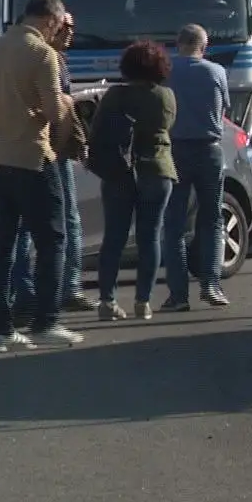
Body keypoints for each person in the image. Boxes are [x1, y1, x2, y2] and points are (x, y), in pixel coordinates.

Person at [0, 0, 84, 350]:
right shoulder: (42, 54)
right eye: (59, 26)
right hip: (32, 159)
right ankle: (46, 321)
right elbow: (54, 110)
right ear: (51, 21)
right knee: (52, 240)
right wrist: (68, 137)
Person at [11, 11, 92, 325]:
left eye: (72, 27)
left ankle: (39, 291)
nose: (70, 33)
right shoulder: (46, 60)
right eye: (65, 27)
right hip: (47, 152)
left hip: (47, 150)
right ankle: (52, 290)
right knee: (57, 222)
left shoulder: (54, 60)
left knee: (49, 223)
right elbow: (56, 109)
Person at [92, 40, 178, 320]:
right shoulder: (165, 97)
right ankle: (143, 301)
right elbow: (165, 126)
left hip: (119, 170)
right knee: (150, 235)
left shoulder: (114, 95)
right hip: (156, 169)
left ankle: (107, 301)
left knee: (114, 237)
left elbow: (99, 130)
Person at [160, 23, 231, 310]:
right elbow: (223, 108)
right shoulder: (216, 71)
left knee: (174, 223)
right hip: (209, 150)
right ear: (204, 45)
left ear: (178, 44)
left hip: (175, 149)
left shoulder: (165, 71)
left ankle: (178, 295)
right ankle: (211, 284)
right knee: (211, 218)